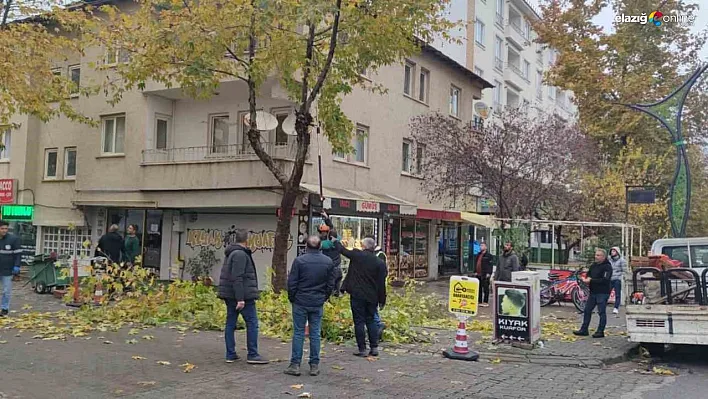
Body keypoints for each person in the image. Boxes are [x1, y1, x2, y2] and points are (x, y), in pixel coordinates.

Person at [284, 235, 335, 377]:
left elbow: (292, 283)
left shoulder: (299, 261)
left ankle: (295, 364)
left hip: (300, 301)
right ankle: (314, 365)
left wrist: (292, 298)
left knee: (299, 332)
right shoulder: (328, 262)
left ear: (306, 246)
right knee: (315, 333)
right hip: (317, 301)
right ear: (320, 246)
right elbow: (331, 284)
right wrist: (324, 297)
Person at [217, 229, 269, 364]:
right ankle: (252, 354)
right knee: (252, 323)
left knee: (231, 323)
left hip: (230, 294)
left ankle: (230, 354)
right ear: (247, 240)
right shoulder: (240, 254)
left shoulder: (232, 253)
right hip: (242, 295)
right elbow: (237, 277)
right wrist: (240, 298)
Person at [337, 237, 387, 357]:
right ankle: (374, 347)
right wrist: (382, 300)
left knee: (359, 321)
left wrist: (334, 238)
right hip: (372, 296)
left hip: (357, 294)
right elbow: (381, 283)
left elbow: (341, 250)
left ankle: (362, 349)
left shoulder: (357, 255)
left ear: (363, 246)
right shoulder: (379, 263)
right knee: (371, 321)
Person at [574, 248, 613, 338]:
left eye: (598, 255)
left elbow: (605, 280)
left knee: (601, 312)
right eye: (596, 255)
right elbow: (589, 274)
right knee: (587, 310)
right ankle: (584, 329)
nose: (596, 257)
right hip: (593, 292)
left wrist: (591, 280)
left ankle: (600, 331)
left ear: (603, 257)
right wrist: (585, 279)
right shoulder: (594, 265)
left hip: (602, 292)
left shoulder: (607, 267)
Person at [0, 220, 22, 317]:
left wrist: (17, 265)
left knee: (6, 290)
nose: (4, 230)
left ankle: (4, 309)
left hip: (7, 270)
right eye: (2, 228)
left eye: (6, 228)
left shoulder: (13, 239)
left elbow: (18, 254)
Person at [318, 211, 342, 296]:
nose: (322, 234)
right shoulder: (338, 240)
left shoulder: (325, 244)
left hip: (330, 268)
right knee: (336, 290)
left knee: (329, 288)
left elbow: (317, 245)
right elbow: (333, 230)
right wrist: (327, 219)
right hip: (338, 268)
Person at [609, 247, 627, 315]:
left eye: (614, 251)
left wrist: (621, 277)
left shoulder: (622, 260)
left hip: (617, 279)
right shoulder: (610, 260)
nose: (612, 252)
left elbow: (624, 271)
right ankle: (602, 307)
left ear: (617, 252)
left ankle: (616, 308)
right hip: (610, 279)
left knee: (617, 294)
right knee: (606, 293)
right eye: (611, 251)